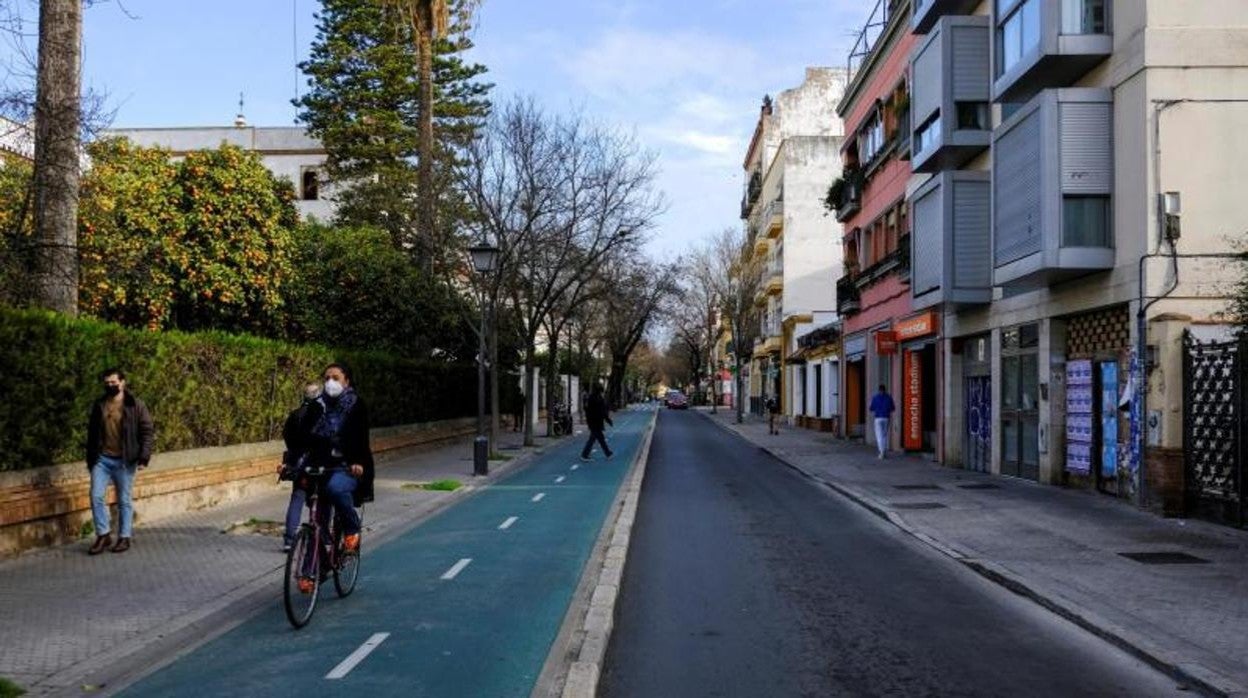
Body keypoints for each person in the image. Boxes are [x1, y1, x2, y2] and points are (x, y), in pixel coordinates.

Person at [306, 363, 374, 555]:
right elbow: (304, 438)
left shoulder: (356, 405)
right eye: (327, 378)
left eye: (335, 378)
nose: (330, 382)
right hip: (322, 465)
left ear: (347, 381)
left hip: (348, 467)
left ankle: (352, 529)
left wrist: (358, 462)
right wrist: (291, 462)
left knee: (335, 488)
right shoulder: (317, 406)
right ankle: (309, 572)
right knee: (316, 520)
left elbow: (362, 437)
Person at [85, 368, 155, 555]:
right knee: (96, 496)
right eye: (107, 383)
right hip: (102, 460)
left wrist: (143, 457)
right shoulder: (99, 405)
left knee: (123, 500)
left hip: (125, 460)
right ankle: (103, 535)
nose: (110, 386)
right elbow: (92, 434)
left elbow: (147, 432)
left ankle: (124, 537)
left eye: (113, 382)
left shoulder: (135, 405)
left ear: (123, 382)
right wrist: (91, 459)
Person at [278, 382, 325, 553]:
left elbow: (287, 437)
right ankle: (322, 537)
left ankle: (289, 540)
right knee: (324, 500)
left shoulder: (295, 415)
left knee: (297, 499)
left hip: (298, 465)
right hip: (319, 464)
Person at [580, 383, 614, 462]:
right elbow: (602, 412)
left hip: (592, 422)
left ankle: (608, 453)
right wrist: (608, 420)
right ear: (600, 391)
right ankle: (584, 455)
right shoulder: (599, 399)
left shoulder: (591, 398)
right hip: (597, 422)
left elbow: (587, 410)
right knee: (593, 439)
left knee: (600, 438)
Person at [869, 384, 896, 459]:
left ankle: (881, 452)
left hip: (878, 418)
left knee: (879, 436)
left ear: (879, 390)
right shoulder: (889, 397)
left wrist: (877, 409)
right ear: (885, 389)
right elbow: (893, 408)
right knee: (884, 435)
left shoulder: (875, 397)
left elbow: (871, 408)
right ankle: (883, 451)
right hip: (886, 418)